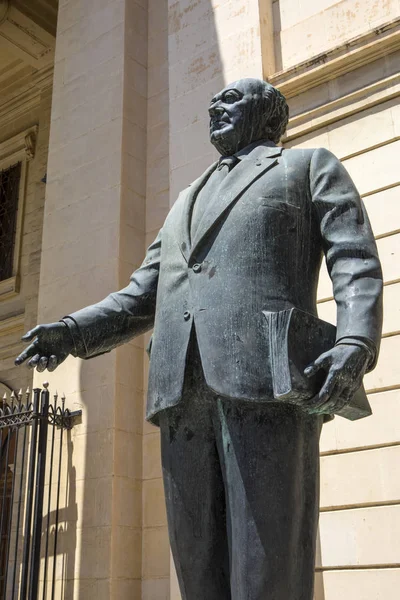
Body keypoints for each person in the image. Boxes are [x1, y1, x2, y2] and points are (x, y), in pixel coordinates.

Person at [15, 78, 383, 600]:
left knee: (267, 565)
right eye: (213, 102)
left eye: (232, 100)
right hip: (181, 393)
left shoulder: (305, 166)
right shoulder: (185, 201)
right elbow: (141, 296)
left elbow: (355, 260)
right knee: (197, 569)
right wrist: (71, 331)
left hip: (265, 383)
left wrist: (354, 342)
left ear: (269, 113)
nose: (215, 107)